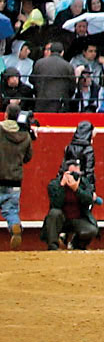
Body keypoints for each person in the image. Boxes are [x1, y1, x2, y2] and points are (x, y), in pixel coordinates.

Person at [42, 158, 99, 250]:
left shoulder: (84, 183)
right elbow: (56, 204)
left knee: (91, 230)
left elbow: (89, 200)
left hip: (78, 219)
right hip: (61, 219)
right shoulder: (54, 184)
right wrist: (62, 185)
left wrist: (77, 189)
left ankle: (76, 245)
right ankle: (53, 246)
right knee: (54, 213)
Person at [0, 102, 33, 250]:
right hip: (14, 179)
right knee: (11, 210)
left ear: (6, 115)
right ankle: (14, 224)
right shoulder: (25, 135)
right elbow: (27, 158)